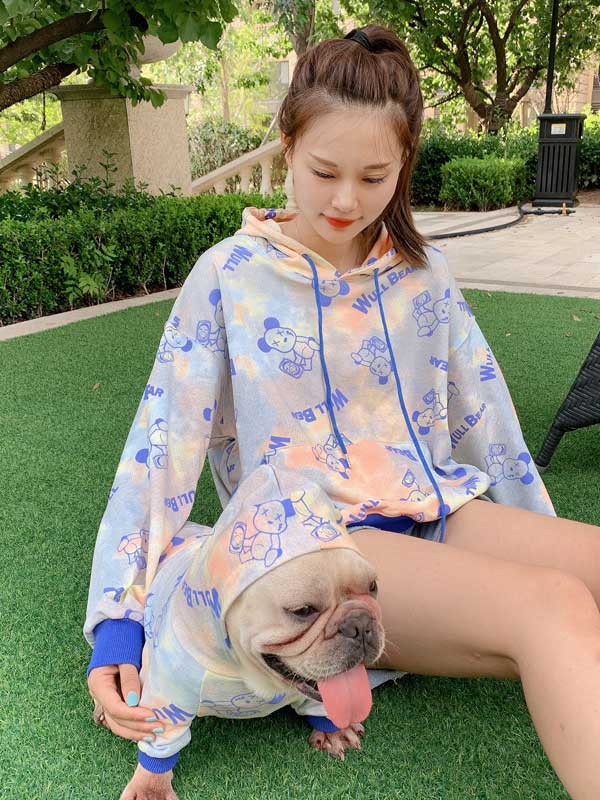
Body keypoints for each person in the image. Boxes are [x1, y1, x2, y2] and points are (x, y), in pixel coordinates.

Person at [86, 24, 600, 798]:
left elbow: (486, 417)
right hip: (329, 550)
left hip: (442, 511)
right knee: (553, 606)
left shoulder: (424, 272)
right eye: (324, 171)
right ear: (288, 145)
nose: (345, 199)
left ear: (404, 164)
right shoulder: (228, 276)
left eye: (374, 176)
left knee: (582, 575)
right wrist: (117, 622)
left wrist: (535, 540)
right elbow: (161, 448)